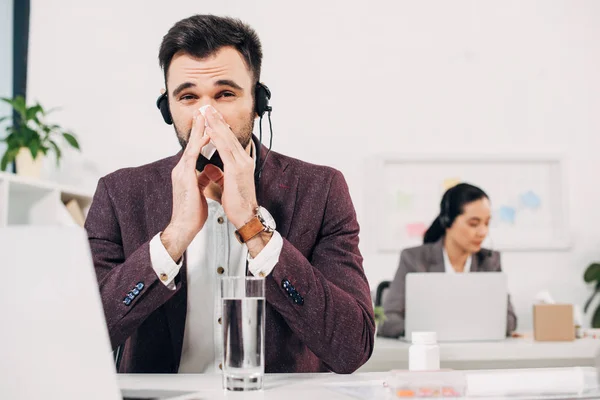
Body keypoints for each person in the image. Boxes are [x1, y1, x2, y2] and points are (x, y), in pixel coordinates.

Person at [84, 14, 374, 374]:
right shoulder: (120, 194)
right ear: (167, 109)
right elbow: (83, 338)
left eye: (225, 94)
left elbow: (352, 348)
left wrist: (254, 229)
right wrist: (174, 237)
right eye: (188, 96)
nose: (208, 115)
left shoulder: (321, 189)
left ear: (258, 100)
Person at [378, 183, 517, 338]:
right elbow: (388, 319)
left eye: (487, 223)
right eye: (474, 224)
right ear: (447, 221)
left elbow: (509, 319)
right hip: (431, 349)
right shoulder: (414, 259)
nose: (483, 232)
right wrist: (430, 334)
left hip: (477, 351)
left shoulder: (490, 261)